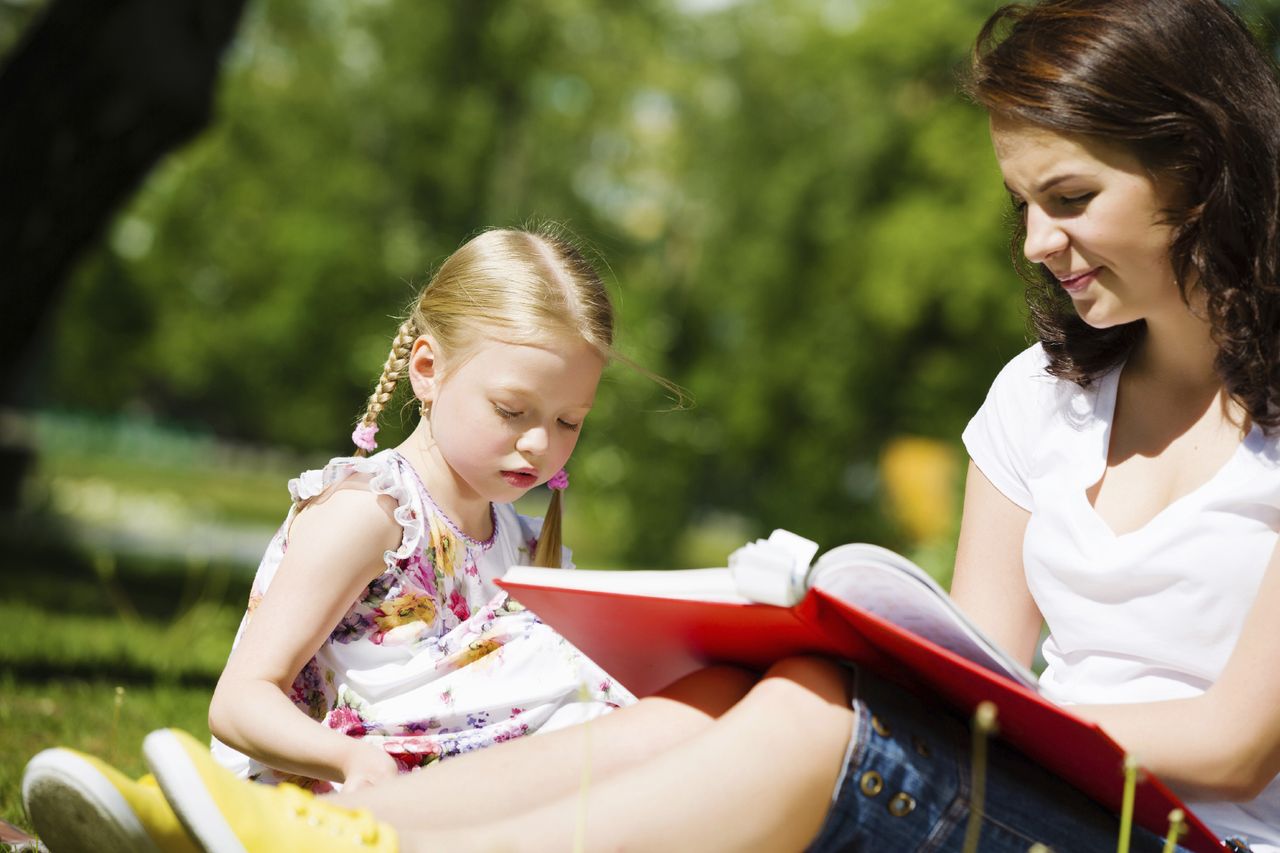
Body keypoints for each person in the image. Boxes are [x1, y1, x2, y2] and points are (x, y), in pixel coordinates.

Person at [21, 0, 1280, 850]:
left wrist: (927, 698)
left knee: (808, 706)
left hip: (1187, 828)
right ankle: (320, 825)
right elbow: (980, 671)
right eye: (1019, 202)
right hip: (1044, 791)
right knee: (742, 683)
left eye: (1068, 198)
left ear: (1198, 159)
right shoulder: (1035, 403)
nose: (1033, 244)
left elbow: (1230, 742)